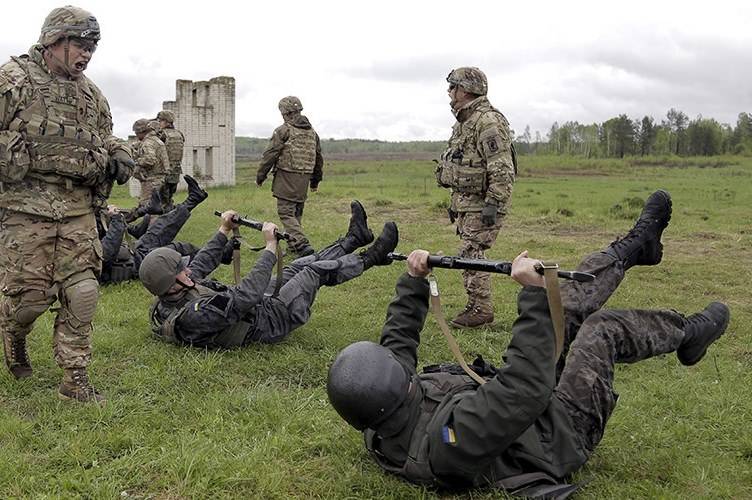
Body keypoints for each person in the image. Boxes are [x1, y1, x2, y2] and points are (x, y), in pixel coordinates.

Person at [327, 190, 730, 495]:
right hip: (561, 427)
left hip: (518, 411)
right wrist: (534, 294)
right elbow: (526, 387)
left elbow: (398, 341)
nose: (399, 362)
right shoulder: (450, 437)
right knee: (599, 331)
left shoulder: (383, 415)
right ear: (402, 386)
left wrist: (414, 279)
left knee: (566, 302)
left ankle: (635, 247)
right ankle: (689, 333)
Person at [0, 6, 135, 402]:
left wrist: (121, 151)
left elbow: (105, 136)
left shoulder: (91, 94)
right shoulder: (13, 82)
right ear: (53, 41)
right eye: (80, 44)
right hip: (25, 211)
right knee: (30, 300)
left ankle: (74, 381)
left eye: (92, 46)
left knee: (84, 292)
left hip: (77, 209)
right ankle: (14, 334)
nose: (87, 54)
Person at [139, 201, 397, 349]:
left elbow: (204, 261)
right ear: (173, 282)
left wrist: (223, 229)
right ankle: (370, 258)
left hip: (260, 306)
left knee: (297, 266)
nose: (188, 269)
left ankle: (353, 240)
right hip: (271, 320)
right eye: (182, 269)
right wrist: (271, 247)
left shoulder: (173, 292)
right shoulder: (195, 315)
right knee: (311, 272)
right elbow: (247, 295)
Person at [435, 67, 517, 328]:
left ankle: (480, 309)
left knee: (471, 252)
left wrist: (493, 203)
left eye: (452, 87)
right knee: (469, 252)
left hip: (483, 204)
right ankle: (476, 305)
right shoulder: (465, 122)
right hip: (468, 203)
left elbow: (502, 167)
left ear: (466, 90)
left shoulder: (487, 121)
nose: (449, 93)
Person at [98, 175, 217, 285]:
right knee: (177, 248)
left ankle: (193, 198)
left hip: (135, 252)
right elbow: (107, 253)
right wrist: (116, 218)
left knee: (160, 227)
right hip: (138, 264)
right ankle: (218, 254)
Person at [256, 96, 324, 257]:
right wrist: (315, 181)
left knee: (286, 213)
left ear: (284, 113)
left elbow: (270, 155)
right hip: (304, 179)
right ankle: (294, 248)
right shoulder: (312, 133)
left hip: (287, 178)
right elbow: (318, 159)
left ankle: (301, 244)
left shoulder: (283, 130)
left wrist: (260, 176)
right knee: (296, 214)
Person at [131, 118, 169, 218]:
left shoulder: (148, 143)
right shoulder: (156, 140)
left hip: (152, 180)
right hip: (160, 178)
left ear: (141, 131)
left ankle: (152, 231)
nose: (136, 135)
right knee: (157, 206)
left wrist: (136, 162)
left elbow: (150, 160)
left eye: (136, 132)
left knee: (148, 207)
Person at [156, 109, 185, 210]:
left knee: (162, 200)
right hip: (176, 171)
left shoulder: (162, 135)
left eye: (160, 121)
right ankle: (171, 215)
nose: (159, 123)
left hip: (163, 171)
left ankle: (166, 220)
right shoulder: (179, 134)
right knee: (169, 198)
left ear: (166, 122)